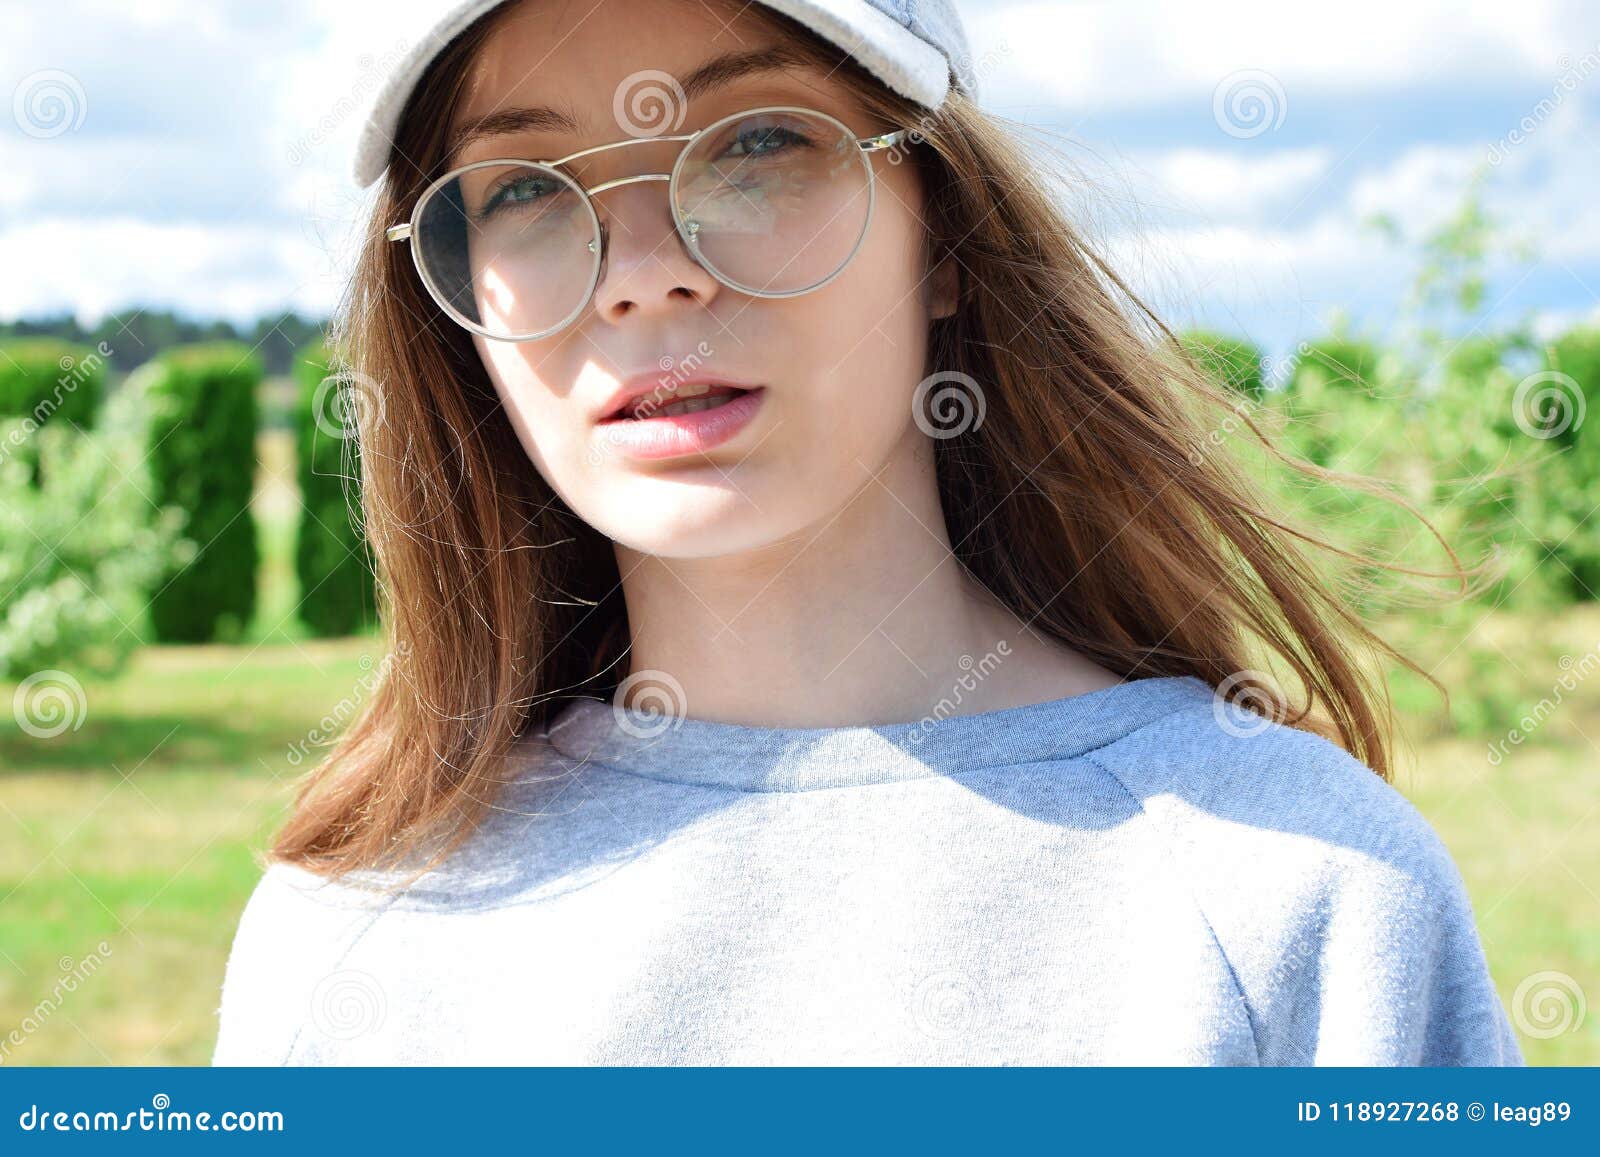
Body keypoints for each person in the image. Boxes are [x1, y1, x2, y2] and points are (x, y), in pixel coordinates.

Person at [211, 0, 1523, 1065]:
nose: (642, 269)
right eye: (527, 188)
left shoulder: (1305, 895)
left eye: (754, 145)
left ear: (940, 233)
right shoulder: (346, 932)